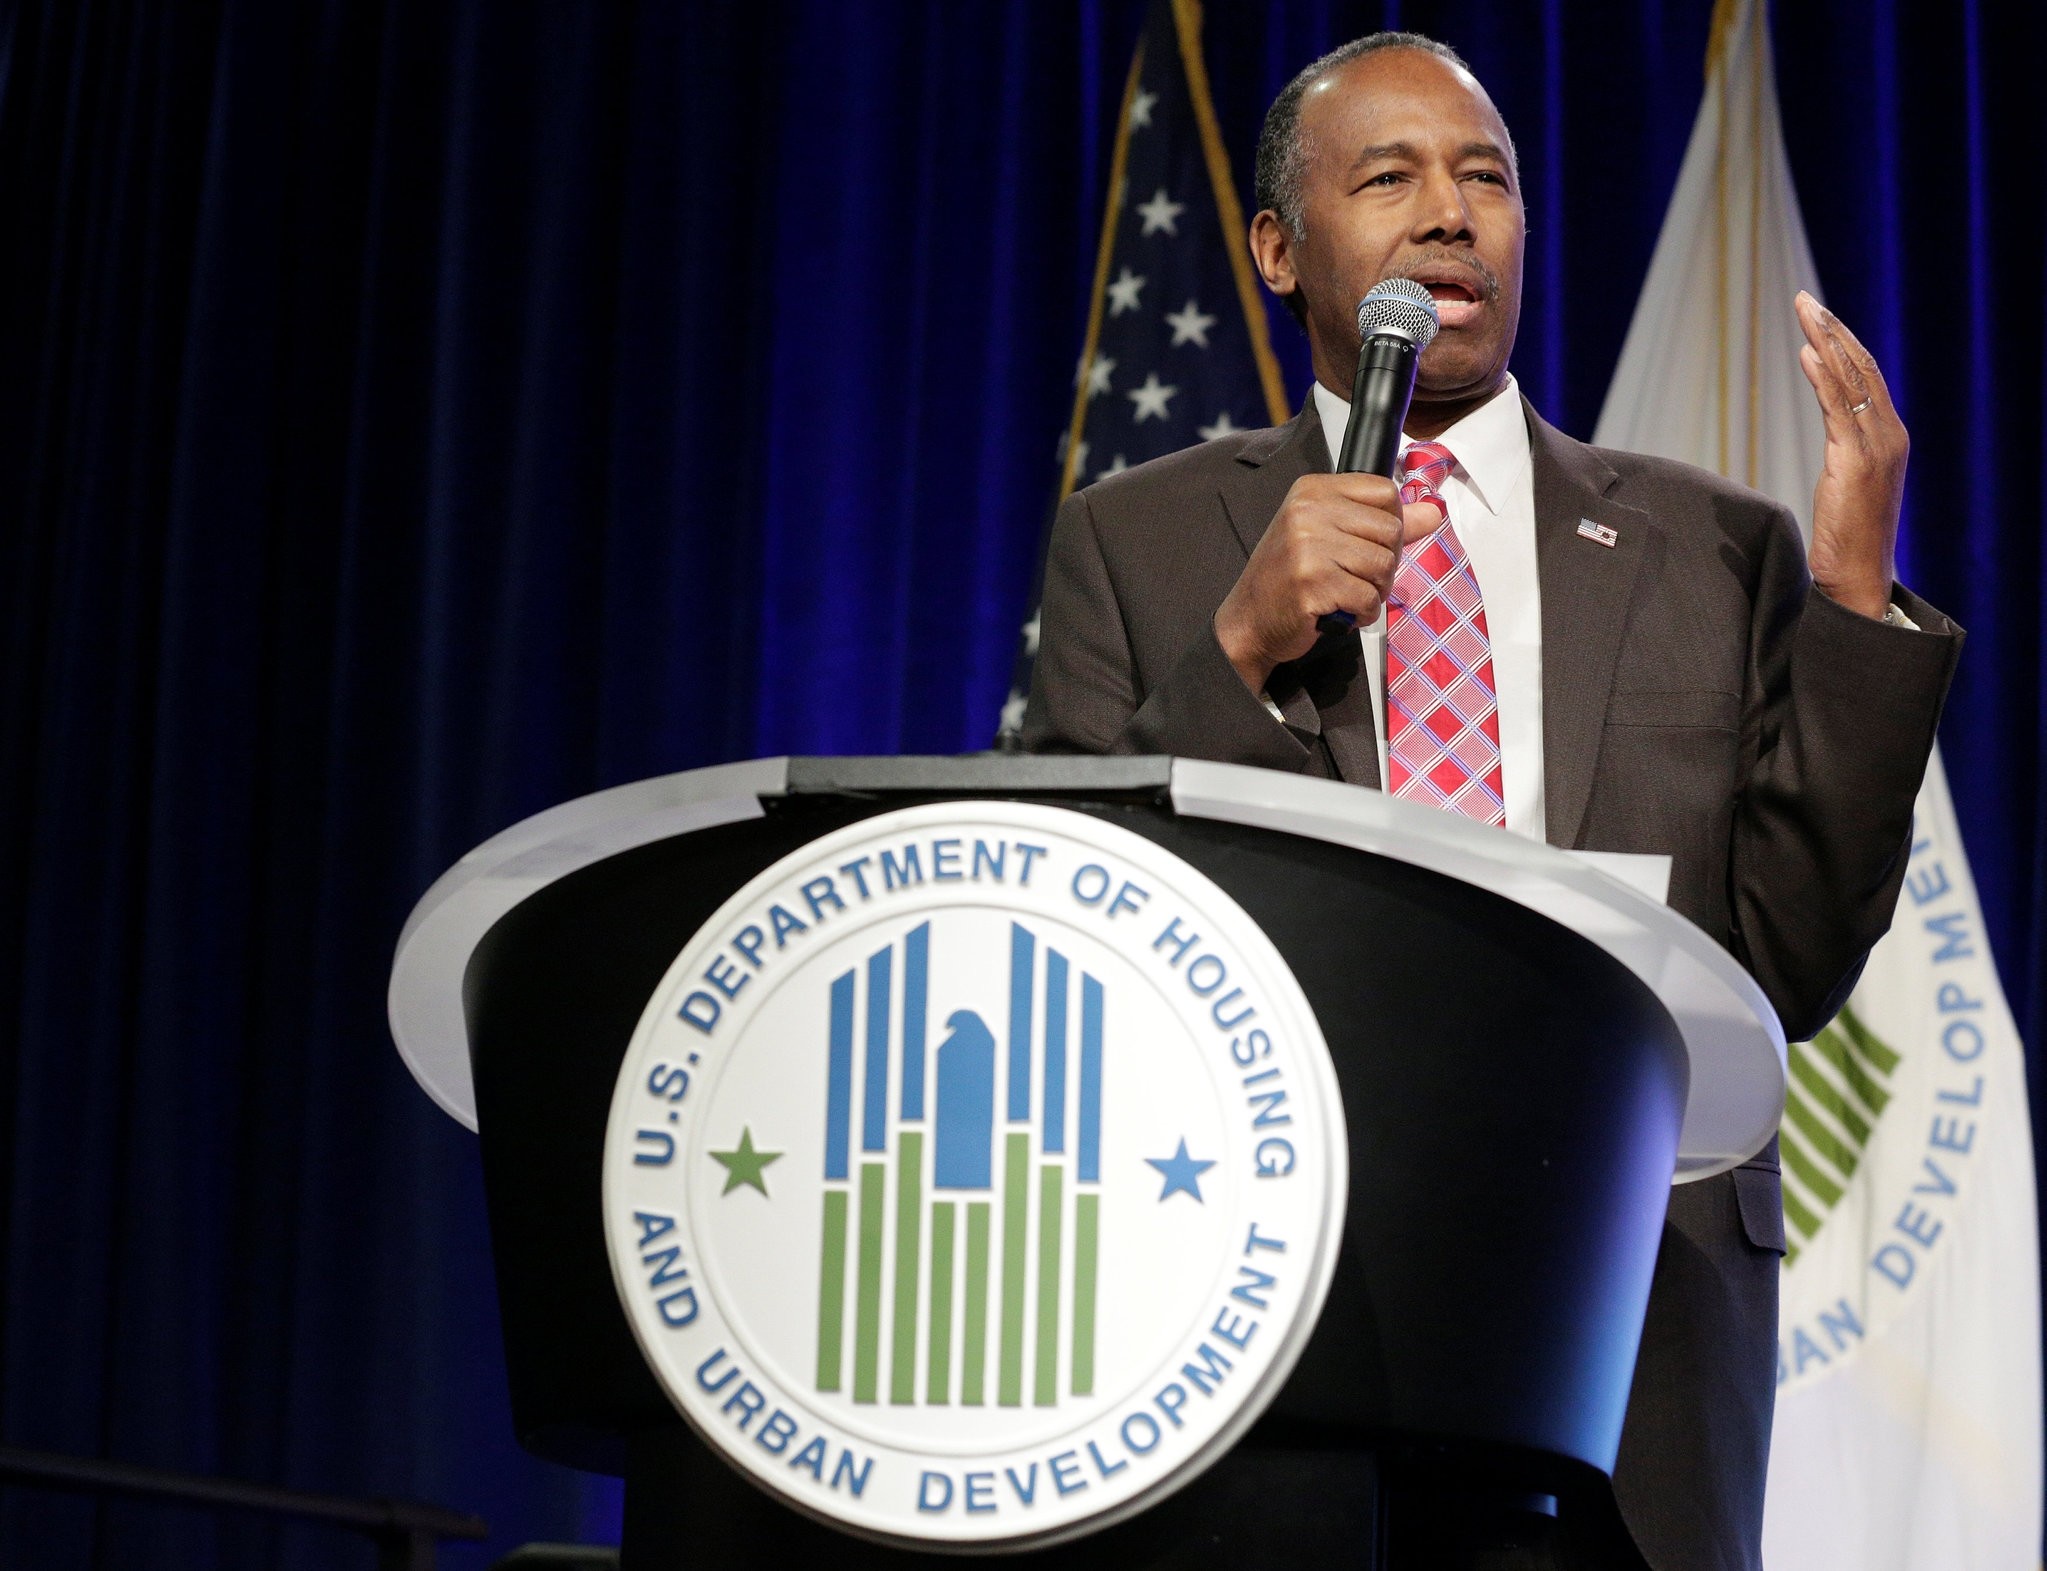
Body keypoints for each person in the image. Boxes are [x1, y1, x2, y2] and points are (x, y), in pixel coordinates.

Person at [1022, 31, 1962, 1571]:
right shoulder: (1143, 542)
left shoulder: (1706, 543)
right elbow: (1065, 917)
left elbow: (1787, 962)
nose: (1450, 214)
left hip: (1631, 1295)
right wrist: (1243, 648)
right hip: (1271, 1276)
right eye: (1388, 177)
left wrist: (1855, 604)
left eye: (1487, 179)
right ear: (1275, 246)